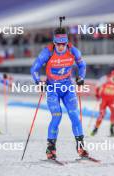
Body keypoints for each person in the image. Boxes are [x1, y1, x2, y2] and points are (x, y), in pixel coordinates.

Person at [30, 26, 89, 160]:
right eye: (58, 44)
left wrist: (81, 77)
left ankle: (81, 146)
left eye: (64, 44)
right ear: (54, 43)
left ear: (67, 43)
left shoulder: (73, 51)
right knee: (57, 116)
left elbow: (82, 65)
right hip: (52, 88)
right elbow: (34, 68)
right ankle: (51, 148)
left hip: (67, 87)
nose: (61, 47)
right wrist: (38, 81)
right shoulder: (47, 52)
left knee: (74, 114)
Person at [91, 62, 114, 137]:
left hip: (112, 100)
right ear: (111, 75)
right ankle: (95, 129)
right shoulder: (105, 78)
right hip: (104, 99)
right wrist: (97, 95)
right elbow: (97, 87)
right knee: (102, 114)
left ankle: (112, 130)